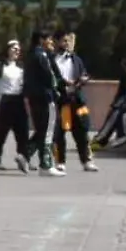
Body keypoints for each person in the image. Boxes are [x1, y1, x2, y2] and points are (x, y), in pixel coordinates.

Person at [53, 31, 97, 172]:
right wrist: (63, 84)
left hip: (77, 100)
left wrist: (83, 79)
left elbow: (84, 73)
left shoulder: (76, 59)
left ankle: (86, 161)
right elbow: (52, 78)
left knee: (82, 132)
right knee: (60, 133)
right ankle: (60, 162)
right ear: (57, 42)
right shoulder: (53, 59)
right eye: (64, 41)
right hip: (62, 100)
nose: (66, 44)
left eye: (68, 41)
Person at [24, 31, 65, 177]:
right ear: (41, 40)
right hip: (45, 97)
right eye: (49, 39)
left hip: (34, 97)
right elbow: (50, 77)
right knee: (48, 130)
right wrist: (57, 90)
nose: (51, 42)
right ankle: (46, 165)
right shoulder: (42, 55)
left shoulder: (29, 55)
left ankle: (36, 158)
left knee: (41, 130)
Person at [0, 39, 30, 172]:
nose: (17, 51)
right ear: (7, 50)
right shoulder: (0, 65)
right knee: (1, 131)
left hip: (18, 99)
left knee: (22, 130)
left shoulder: (21, 66)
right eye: (14, 48)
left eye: (18, 49)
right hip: (4, 99)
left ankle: (22, 157)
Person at [92, 56, 126, 150]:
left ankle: (101, 139)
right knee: (115, 111)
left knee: (117, 113)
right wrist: (115, 104)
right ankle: (104, 138)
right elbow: (120, 94)